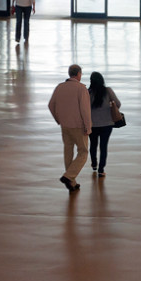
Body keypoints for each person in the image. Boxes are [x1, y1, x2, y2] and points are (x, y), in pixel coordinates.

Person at [48, 64, 92, 193]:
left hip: (65, 126)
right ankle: (68, 177)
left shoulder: (60, 87)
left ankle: (71, 182)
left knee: (68, 151)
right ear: (78, 74)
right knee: (83, 152)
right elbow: (85, 110)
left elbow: (51, 105)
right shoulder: (81, 89)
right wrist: (88, 127)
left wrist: (58, 119)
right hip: (78, 126)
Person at [87, 72, 120, 177]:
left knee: (93, 144)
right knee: (103, 146)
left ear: (91, 81)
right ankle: (101, 170)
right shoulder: (108, 91)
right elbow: (118, 104)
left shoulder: (88, 92)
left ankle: (94, 164)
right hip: (107, 124)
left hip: (92, 124)